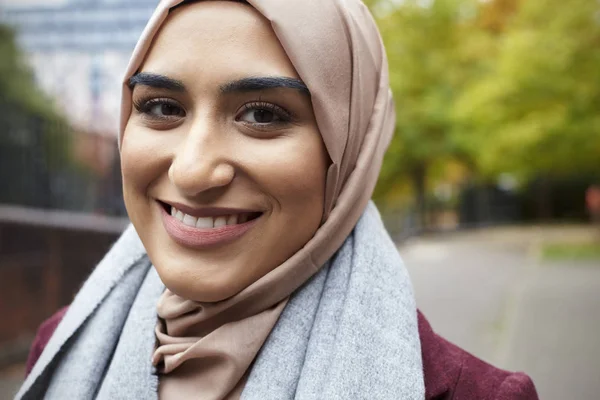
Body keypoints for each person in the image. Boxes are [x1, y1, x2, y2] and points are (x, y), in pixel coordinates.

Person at [17, 0, 539, 399]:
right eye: (160, 106)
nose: (194, 170)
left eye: (263, 115)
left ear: (350, 149)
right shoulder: (61, 349)